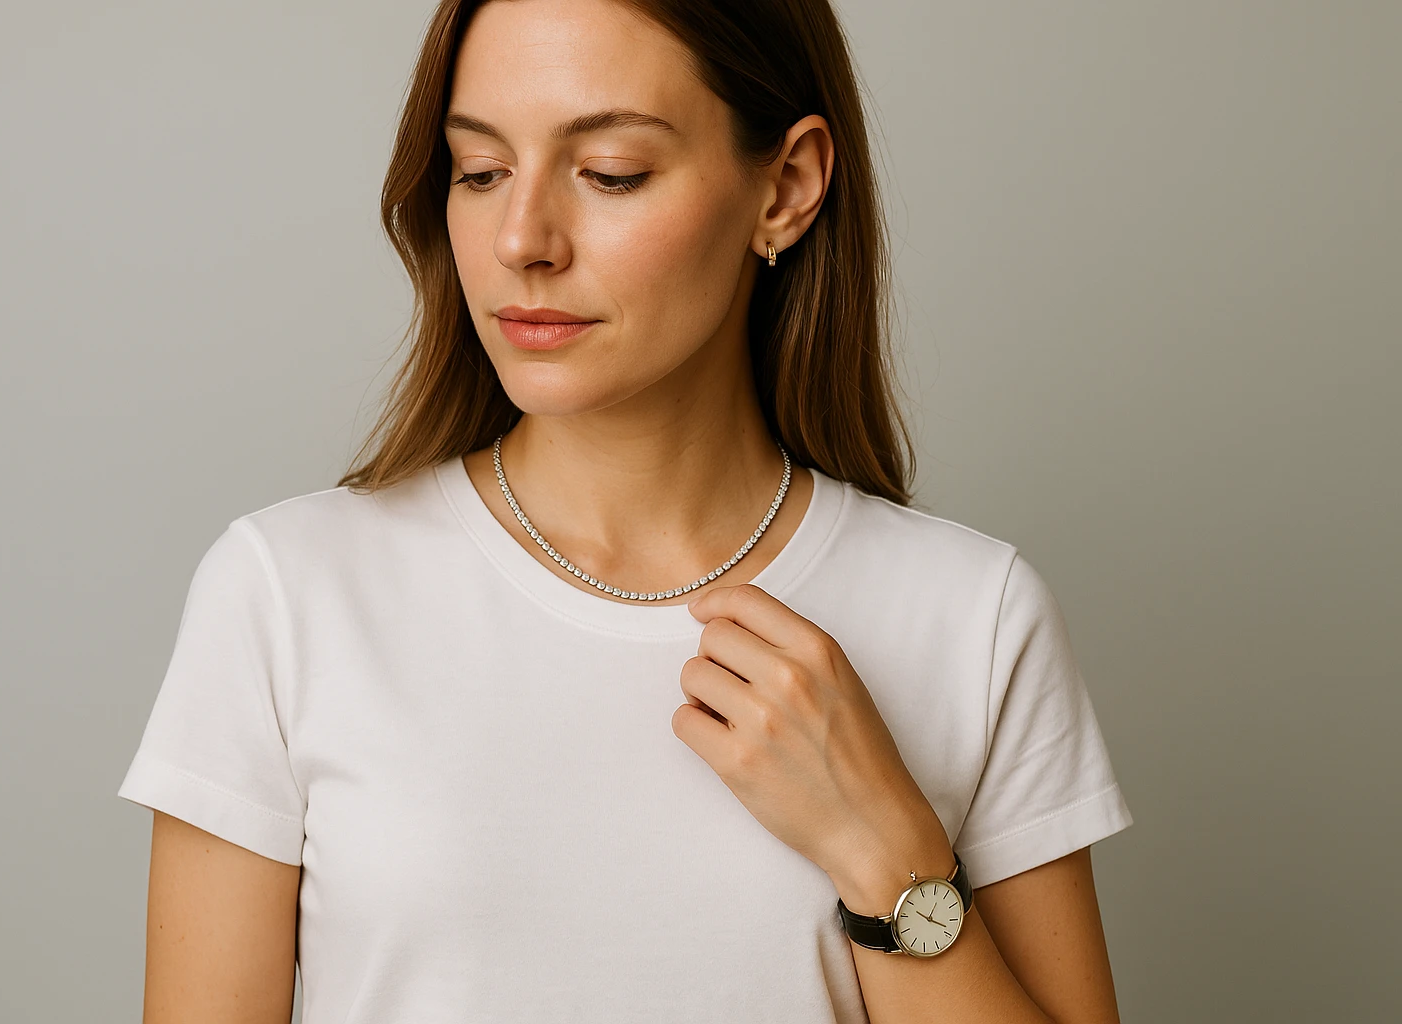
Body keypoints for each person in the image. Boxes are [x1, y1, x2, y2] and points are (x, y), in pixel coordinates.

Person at [117, 0, 1134, 1020]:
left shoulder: (975, 615)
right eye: (479, 172)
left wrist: (886, 852)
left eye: (610, 172)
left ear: (785, 187)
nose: (522, 239)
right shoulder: (289, 594)